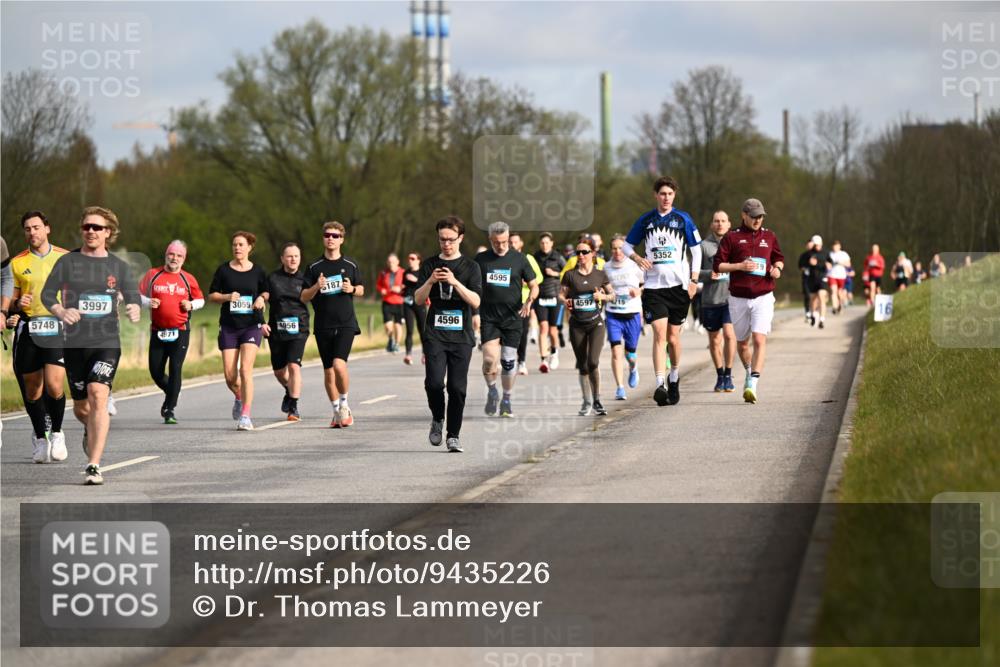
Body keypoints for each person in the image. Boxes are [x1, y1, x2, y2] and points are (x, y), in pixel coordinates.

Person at [41, 206, 141, 485]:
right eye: (87, 227)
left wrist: (134, 307)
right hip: (74, 343)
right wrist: (61, 312)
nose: (91, 232)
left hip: (106, 341)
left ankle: (94, 465)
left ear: (108, 232)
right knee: (82, 409)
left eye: (97, 227)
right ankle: (91, 429)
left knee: (99, 394)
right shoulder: (68, 262)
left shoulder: (118, 266)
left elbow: (132, 295)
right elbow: (47, 294)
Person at [623, 176, 702, 406]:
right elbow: (627, 245)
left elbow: (696, 251)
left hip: (678, 287)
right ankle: (660, 384)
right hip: (654, 288)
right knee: (659, 335)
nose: (666, 198)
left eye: (669, 194)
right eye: (662, 194)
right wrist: (637, 258)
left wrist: (694, 280)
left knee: (673, 339)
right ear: (655, 195)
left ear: (674, 195)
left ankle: (674, 376)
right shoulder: (646, 220)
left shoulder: (683, 219)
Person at [414, 216, 483, 452]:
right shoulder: (429, 265)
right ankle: (437, 418)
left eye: (451, 240)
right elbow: (418, 299)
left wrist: (455, 282)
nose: (446, 244)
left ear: (460, 238)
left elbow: (475, 300)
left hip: (461, 337)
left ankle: (453, 435)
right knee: (434, 384)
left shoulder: (471, 267)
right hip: (435, 334)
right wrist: (431, 281)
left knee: (457, 388)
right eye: (442, 239)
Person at [9, 212, 70, 462]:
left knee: (55, 385)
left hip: (57, 327)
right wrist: (16, 303)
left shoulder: (66, 258)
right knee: (33, 390)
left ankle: (56, 433)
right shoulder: (16, 263)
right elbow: (7, 301)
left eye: (36, 227)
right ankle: (40, 437)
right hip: (29, 328)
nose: (32, 232)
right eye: (27, 229)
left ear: (47, 228)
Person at [713, 198, 784, 404]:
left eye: (760, 216)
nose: (757, 220)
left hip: (763, 296)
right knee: (743, 344)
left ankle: (753, 383)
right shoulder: (731, 238)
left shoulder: (769, 236)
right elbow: (719, 266)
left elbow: (778, 257)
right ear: (744, 215)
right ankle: (748, 370)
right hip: (738, 298)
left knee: (760, 339)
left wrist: (777, 269)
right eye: (753, 216)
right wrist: (740, 267)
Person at [301, 221, 365, 428]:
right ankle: (336, 410)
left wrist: (352, 289)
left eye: (335, 236)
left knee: (339, 364)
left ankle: (345, 404)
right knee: (328, 370)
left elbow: (362, 289)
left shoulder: (350, 265)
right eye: (327, 235)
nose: (331, 238)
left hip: (346, 322)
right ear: (323, 238)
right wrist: (316, 287)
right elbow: (303, 296)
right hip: (323, 324)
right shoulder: (314, 267)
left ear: (342, 239)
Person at [474, 222, 539, 418]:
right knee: (488, 360)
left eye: (504, 242)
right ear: (490, 240)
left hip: (513, 318)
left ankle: (507, 399)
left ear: (509, 238)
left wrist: (529, 301)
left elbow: (534, 285)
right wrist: (474, 313)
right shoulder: (481, 260)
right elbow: (472, 287)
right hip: (489, 318)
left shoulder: (519, 259)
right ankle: (493, 391)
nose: (501, 246)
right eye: (496, 242)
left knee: (509, 363)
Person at [208, 231, 269, 431]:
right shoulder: (224, 270)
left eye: (241, 244)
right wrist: (226, 297)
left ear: (249, 247)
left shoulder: (258, 271)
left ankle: (246, 415)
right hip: (229, 325)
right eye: (234, 244)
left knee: (246, 370)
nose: (237, 248)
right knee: (230, 375)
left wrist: (261, 298)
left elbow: (266, 290)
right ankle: (238, 396)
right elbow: (212, 295)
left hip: (252, 324)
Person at [139, 240, 205, 424]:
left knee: (175, 369)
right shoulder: (153, 274)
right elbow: (137, 296)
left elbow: (201, 300)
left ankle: (169, 409)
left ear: (183, 259)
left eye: (179, 255)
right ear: (166, 255)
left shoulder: (188, 278)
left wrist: (190, 304)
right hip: (158, 330)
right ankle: (174, 390)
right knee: (156, 371)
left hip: (180, 330)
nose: (174, 258)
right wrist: (147, 302)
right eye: (171, 254)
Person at [561, 237, 615, 416]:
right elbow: (560, 295)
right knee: (583, 365)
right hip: (576, 324)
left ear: (592, 253)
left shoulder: (600, 274)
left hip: (596, 323)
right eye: (578, 252)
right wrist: (565, 301)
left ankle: (597, 400)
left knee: (593, 361)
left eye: (584, 252)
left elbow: (612, 295)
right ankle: (586, 402)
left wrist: (603, 298)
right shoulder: (570, 275)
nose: (581, 255)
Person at [264, 242, 310, 421]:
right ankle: (289, 389)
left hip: (299, 329)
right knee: (279, 372)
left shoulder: (305, 279)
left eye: (296, 256)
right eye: (289, 256)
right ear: (282, 258)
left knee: (293, 365)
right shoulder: (272, 278)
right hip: (276, 330)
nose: (293, 259)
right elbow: (263, 297)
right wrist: (261, 322)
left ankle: (293, 406)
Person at [698, 211, 737, 393]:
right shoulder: (703, 246)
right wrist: (708, 274)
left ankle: (729, 374)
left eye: (723, 221)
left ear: (729, 224)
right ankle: (720, 374)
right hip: (710, 300)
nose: (720, 224)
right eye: (716, 221)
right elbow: (694, 272)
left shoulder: (736, 244)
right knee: (714, 341)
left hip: (731, 298)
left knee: (729, 335)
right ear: (712, 224)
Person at [604, 234, 644, 400]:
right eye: (614, 248)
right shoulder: (606, 268)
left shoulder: (635, 265)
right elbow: (602, 287)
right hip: (613, 313)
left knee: (630, 354)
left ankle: (633, 367)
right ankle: (620, 387)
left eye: (620, 248)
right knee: (615, 351)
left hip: (632, 313)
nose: (617, 251)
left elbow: (645, 283)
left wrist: (639, 291)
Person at [508, 231, 542, 376]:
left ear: (521, 243)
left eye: (516, 242)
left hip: (523, 301)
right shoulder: (504, 258)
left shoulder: (528, 258)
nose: (513, 244)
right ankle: (508, 359)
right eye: (511, 242)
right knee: (506, 333)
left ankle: (521, 361)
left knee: (522, 333)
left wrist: (527, 283)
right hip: (506, 302)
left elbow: (539, 277)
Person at [532, 232, 566, 373]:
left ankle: (554, 353)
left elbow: (567, 273)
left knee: (553, 331)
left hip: (555, 297)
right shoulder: (535, 257)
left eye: (547, 242)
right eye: (542, 243)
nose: (545, 245)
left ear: (552, 243)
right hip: (540, 296)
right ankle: (543, 359)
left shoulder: (558, 257)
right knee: (543, 328)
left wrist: (555, 274)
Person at [377, 253, 406, 353]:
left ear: (398, 262)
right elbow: (378, 285)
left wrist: (400, 289)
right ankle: (391, 339)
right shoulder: (384, 273)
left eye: (393, 262)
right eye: (389, 262)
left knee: (398, 325)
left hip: (400, 302)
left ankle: (397, 345)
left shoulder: (404, 272)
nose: (391, 264)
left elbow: (408, 286)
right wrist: (381, 290)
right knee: (387, 325)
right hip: (387, 302)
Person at [401, 252, 427, 365]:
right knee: (409, 330)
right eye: (409, 258)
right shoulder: (406, 272)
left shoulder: (423, 272)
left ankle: (425, 354)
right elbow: (404, 286)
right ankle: (408, 355)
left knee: (423, 330)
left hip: (420, 302)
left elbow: (426, 286)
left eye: (412, 258)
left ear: (418, 260)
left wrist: (415, 280)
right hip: (408, 303)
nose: (410, 260)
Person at [806, 235, 832, 329]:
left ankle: (822, 319)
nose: (817, 246)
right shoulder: (809, 253)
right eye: (815, 245)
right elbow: (804, 264)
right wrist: (809, 263)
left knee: (822, 296)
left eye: (818, 244)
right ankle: (813, 315)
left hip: (822, 278)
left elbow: (830, 262)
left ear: (821, 244)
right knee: (813, 299)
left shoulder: (826, 253)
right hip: (812, 279)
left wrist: (829, 265)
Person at [827, 240, 851, 314]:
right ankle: (834, 307)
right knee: (833, 291)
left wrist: (841, 263)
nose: (835, 247)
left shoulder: (844, 254)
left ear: (839, 246)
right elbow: (827, 264)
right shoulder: (830, 254)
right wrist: (828, 266)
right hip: (832, 275)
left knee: (839, 293)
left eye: (836, 246)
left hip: (841, 276)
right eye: (834, 246)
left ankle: (840, 305)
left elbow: (849, 264)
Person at [797, 239, 815, 323]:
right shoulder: (803, 255)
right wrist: (805, 268)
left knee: (815, 297)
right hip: (806, 278)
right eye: (808, 245)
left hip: (815, 278)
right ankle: (807, 312)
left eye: (811, 245)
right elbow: (800, 266)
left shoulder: (817, 254)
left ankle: (814, 312)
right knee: (807, 296)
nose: (810, 247)